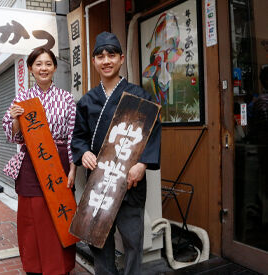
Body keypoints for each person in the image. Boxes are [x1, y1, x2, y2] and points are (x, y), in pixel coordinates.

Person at [71, 32, 161, 275]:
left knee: (133, 240)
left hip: (130, 181)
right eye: (100, 56)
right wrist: (84, 153)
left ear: (121, 59)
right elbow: (78, 137)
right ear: (94, 62)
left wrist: (142, 164)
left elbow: (152, 132)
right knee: (98, 238)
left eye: (111, 55)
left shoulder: (140, 96)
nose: (106, 60)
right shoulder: (87, 101)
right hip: (100, 183)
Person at [2, 47, 77, 275]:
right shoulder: (22, 99)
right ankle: (34, 266)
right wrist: (15, 118)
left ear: (54, 67)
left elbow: (74, 135)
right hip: (31, 163)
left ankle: (60, 266)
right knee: (31, 216)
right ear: (31, 69)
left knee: (59, 213)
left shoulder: (66, 98)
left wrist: (73, 170)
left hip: (59, 161)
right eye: (38, 64)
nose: (43, 68)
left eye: (48, 64)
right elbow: (12, 134)